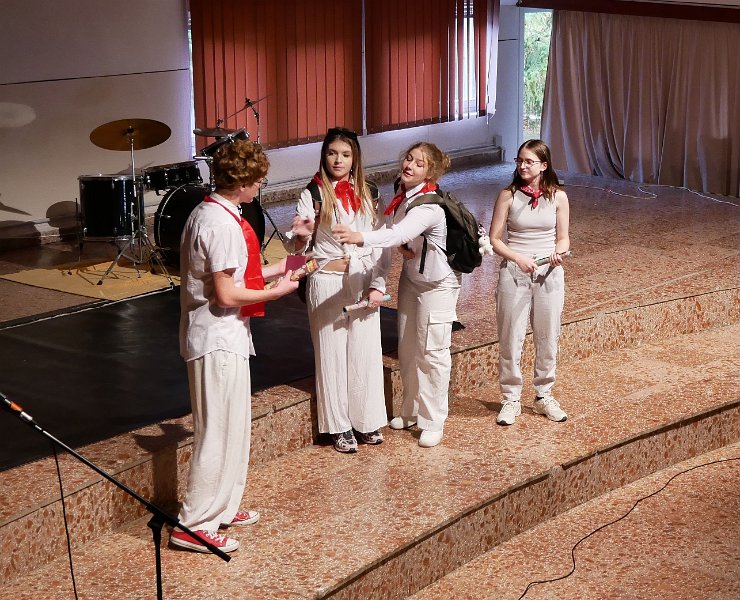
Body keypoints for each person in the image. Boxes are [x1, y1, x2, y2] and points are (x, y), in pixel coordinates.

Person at [170, 139, 299, 554]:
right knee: (216, 431)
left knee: (234, 427)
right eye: (258, 180)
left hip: (227, 336)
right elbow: (227, 294)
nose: (260, 186)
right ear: (242, 182)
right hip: (216, 338)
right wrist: (277, 293)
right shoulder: (220, 224)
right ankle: (192, 524)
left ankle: (221, 506)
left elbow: (245, 272)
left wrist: (293, 262)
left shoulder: (215, 212)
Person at [333, 142, 460, 448]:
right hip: (412, 279)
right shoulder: (402, 196)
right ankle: (411, 410)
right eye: (408, 159)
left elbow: (396, 234)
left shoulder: (429, 206)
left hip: (438, 285)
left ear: (430, 172)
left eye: (419, 163)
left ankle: (433, 420)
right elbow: (399, 235)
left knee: (432, 352)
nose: (409, 165)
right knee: (407, 346)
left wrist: (359, 237)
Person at [284, 127, 390, 454]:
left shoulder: (370, 191)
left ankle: (366, 420)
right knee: (331, 355)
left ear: (355, 157)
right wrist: (300, 237)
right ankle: (339, 426)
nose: (338, 160)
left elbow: (381, 243)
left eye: (345, 154)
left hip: (362, 279)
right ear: (324, 156)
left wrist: (378, 284)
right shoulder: (313, 193)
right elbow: (297, 246)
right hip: (327, 281)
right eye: (332, 153)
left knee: (365, 353)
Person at [488, 139, 570, 426]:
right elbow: (495, 239)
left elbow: (563, 237)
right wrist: (517, 258)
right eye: (519, 160)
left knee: (548, 335)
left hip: (548, 272)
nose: (522, 166)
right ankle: (511, 398)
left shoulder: (558, 197)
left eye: (529, 161)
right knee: (511, 336)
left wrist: (558, 253)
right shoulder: (508, 195)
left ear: (543, 165)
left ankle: (543, 395)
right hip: (515, 271)